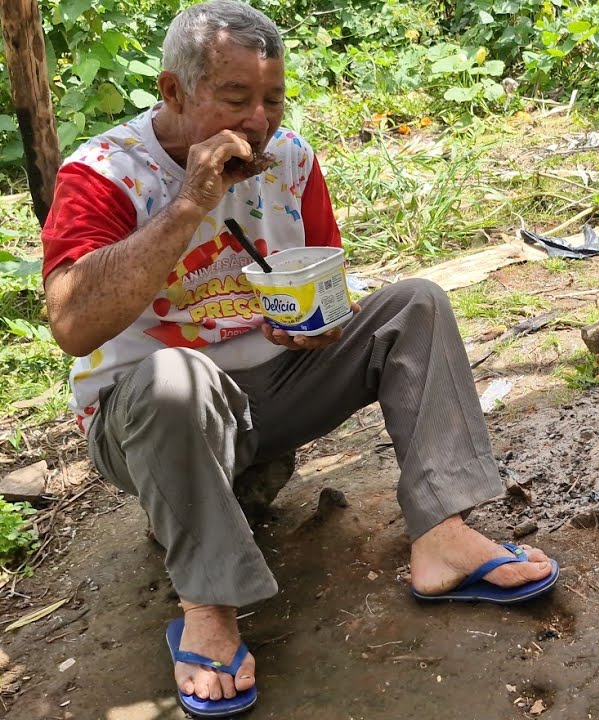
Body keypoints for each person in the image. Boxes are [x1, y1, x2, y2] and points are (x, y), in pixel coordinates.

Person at [39, 1, 557, 716]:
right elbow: (71, 324)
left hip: (269, 393)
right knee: (172, 377)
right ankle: (209, 606)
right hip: (145, 420)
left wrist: (320, 326)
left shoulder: (291, 160)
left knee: (417, 303)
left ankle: (443, 537)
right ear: (173, 92)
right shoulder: (102, 172)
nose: (259, 120)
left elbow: (320, 278)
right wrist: (190, 203)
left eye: (273, 99)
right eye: (235, 99)